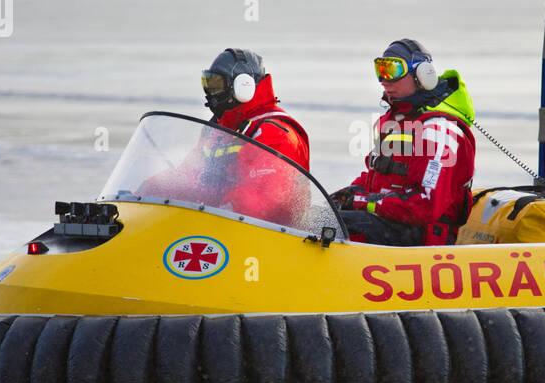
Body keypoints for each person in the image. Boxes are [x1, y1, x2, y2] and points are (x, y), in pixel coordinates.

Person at [140, 49, 310, 223]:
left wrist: (218, 209)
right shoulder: (216, 130)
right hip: (223, 225)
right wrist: (145, 193)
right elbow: (190, 177)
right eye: (208, 85)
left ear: (243, 86)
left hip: (271, 236)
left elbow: (262, 201)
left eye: (217, 86)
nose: (211, 94)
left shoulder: (275, 134)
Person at [332, 39, 475, 246]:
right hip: (392, 225)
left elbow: (426, 204)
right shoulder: (399, 122)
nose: (384, 80)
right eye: (380, 70)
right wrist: (349, 193)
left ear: (422, 76)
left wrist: (363, 202)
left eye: (393, 70)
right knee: (319, 218)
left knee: (335, 227)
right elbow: (379, 177)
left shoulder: (438, 130)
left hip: (422, 242)